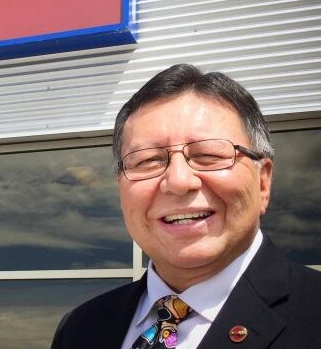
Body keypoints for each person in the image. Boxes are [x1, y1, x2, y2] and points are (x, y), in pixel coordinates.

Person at [51, 64, 321, 349]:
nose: (178, 181)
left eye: (207, 154)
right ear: (121, 190)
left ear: (263, 182)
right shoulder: (81, 327)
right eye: (148, 161)